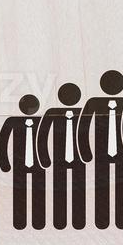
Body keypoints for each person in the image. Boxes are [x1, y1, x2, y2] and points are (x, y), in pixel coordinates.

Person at [77, 70, 123, 230]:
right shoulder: (93, 102)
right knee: (101, 185)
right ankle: (102, 221)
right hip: (100, 151)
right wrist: (85, 151)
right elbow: (83, 127)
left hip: (122, 151)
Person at [37, 83, 88, 230]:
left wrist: (87, 154)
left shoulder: (83, 112)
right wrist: (44, 157)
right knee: (59, 189)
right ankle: (59, 222)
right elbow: (43, 135)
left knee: (80, 189)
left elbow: (87, 134)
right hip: (58, 157)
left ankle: (79, 221)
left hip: (79, 157)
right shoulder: (52, 112)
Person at [0, 94, 45, 230]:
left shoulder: (42, 122)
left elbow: (47, 142)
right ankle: (19, 223)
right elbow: (2, 142)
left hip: (38, 164)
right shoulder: (12, 121)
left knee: (39, 193)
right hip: (19, 164)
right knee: (19, 194)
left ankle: (39, 222)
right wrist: (5, 164)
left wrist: (46, 161)